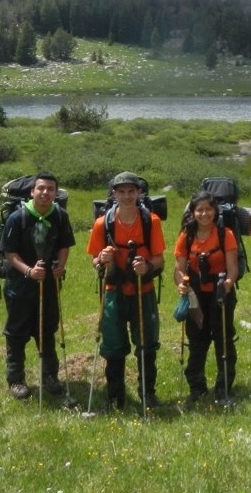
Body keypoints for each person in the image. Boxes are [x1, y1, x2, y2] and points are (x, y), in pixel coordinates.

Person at [86, 171, 165, 410]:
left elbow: (160, 258)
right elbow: (95, 261)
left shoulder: (151, 221)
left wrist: (147, 266)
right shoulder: (103, 223)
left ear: (140, 193)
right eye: (122, 192)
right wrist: (102, 257)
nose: (127, 196)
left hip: (144, 289)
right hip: (114, 291)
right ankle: (115, 397)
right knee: (113, 345)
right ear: (114, 194)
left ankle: (147, 394)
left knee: (147, 343)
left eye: (132, 191)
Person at [0, 171, 76, 399]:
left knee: (47, 330)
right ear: (32, 191)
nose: (45, 193)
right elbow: (9, 252)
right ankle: (16, 380)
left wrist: (60, 266)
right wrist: (29, 271)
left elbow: (64, 245)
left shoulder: (60, 216)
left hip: (50, 284)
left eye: (50, 189)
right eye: (41, 188)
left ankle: (50, 376)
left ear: (56, 193)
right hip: (20, 285)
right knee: (16, 332)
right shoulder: (18, 218)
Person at [174, 190, 239, 403]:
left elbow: (233, 268)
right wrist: (182, 285)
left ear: (215, 211)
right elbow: (178, 269)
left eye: (208, 209)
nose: (204, 214)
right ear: (193, 213)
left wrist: (227, 285)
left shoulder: (225, 234)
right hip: (195, 293)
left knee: (223, 338)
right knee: (197, 338)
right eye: (199, 210)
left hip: (221, 293)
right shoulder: (186, 236)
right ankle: (197, 386)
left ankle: (223, 387)